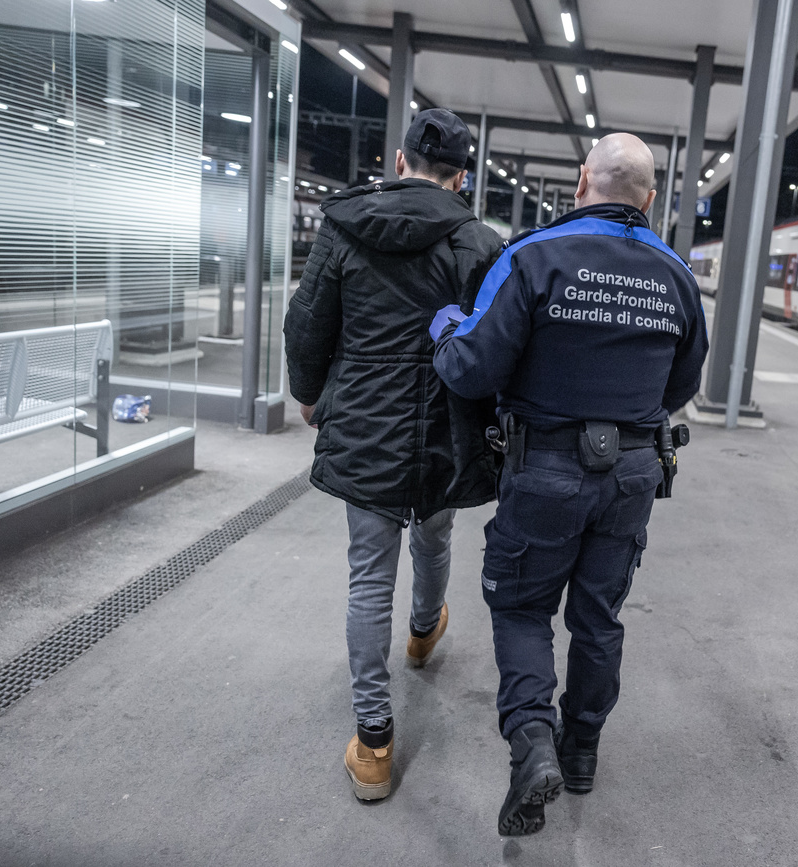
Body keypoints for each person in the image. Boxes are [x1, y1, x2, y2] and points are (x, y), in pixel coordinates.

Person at [431, 133, 709, 836]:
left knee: (522, 608)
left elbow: (469, 368)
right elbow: (683, 384)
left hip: (545, 469)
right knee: (598, 616)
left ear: (582, 181)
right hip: (636, 474)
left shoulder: (531, 258)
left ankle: (532, 744)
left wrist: (446, 326)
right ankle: (580, 749)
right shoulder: (677, 274)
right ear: (648, 199)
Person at [283, 108, 503, 801]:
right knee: (434, 536)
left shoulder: (345, 225)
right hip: (444, 431)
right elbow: (495, 347)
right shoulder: (479, 241)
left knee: (367, 575)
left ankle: (374, 745)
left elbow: (306, 321)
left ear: (402, 160)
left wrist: (309, 393)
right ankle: (422, 630)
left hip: (366, 429)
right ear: (462, 176)